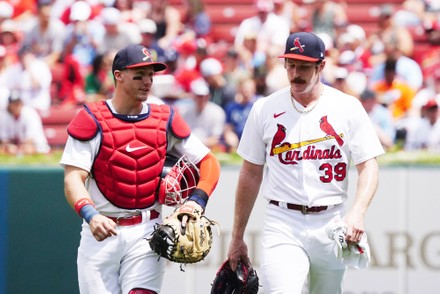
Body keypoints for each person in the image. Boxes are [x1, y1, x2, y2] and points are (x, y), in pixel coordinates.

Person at [226, 32, 384, 293]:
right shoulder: (264, 108)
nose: (295, 72)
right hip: (282, 221)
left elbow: (369, 165)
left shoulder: (347, 107)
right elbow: (251, 173)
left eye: (304, 66)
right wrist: (237, 236)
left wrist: (357, 212)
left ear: (321, 66)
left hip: (331, 221)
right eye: (290, 64)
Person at [59, 44, 221, 294]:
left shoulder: (165, 118)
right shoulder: (91, 118)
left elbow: (209, 162)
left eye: (150, 75)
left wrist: (196, 202)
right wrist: (90, 215)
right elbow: (73, 178)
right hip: (101, 232)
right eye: (139, 75)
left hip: (147, 230)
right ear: (118, 75)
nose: (147, 81)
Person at [174, 78, 226, 151]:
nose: (202, 99)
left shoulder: (217, 112)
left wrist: (198, 144)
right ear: (193, 96)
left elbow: (215, 139)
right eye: (199, 96)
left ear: (208, 96)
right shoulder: (185, 111)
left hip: (208, 149)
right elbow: (181, 135)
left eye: (204, 96)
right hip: (188, 149)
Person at [0, 90, 50, 155]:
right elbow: (4, 140)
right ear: (9, 105)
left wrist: (16, 149)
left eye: (18, 103)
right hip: (17, 147)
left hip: (37, 146)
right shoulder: (5, 117)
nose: (17, 106)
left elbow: (29, 140)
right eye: (14, 104)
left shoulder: (29, 113)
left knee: (27, 148)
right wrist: (9, 146)